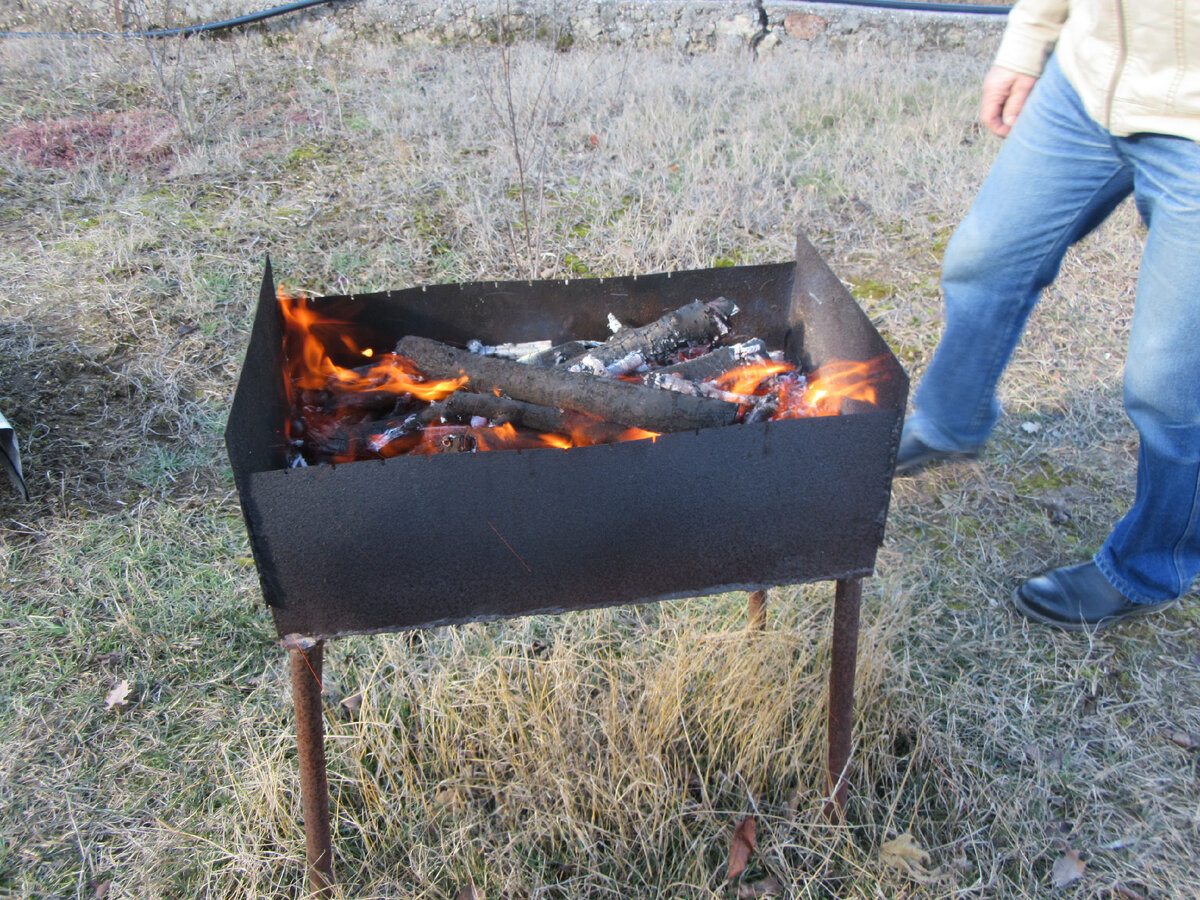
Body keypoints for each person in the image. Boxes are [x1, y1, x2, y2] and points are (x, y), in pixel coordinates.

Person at [896, 0, 1200, 630]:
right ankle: (952, 421)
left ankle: (1152, 564)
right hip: (1088, 80)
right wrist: (1029, 38)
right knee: (985, 261)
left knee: (1170, 382)